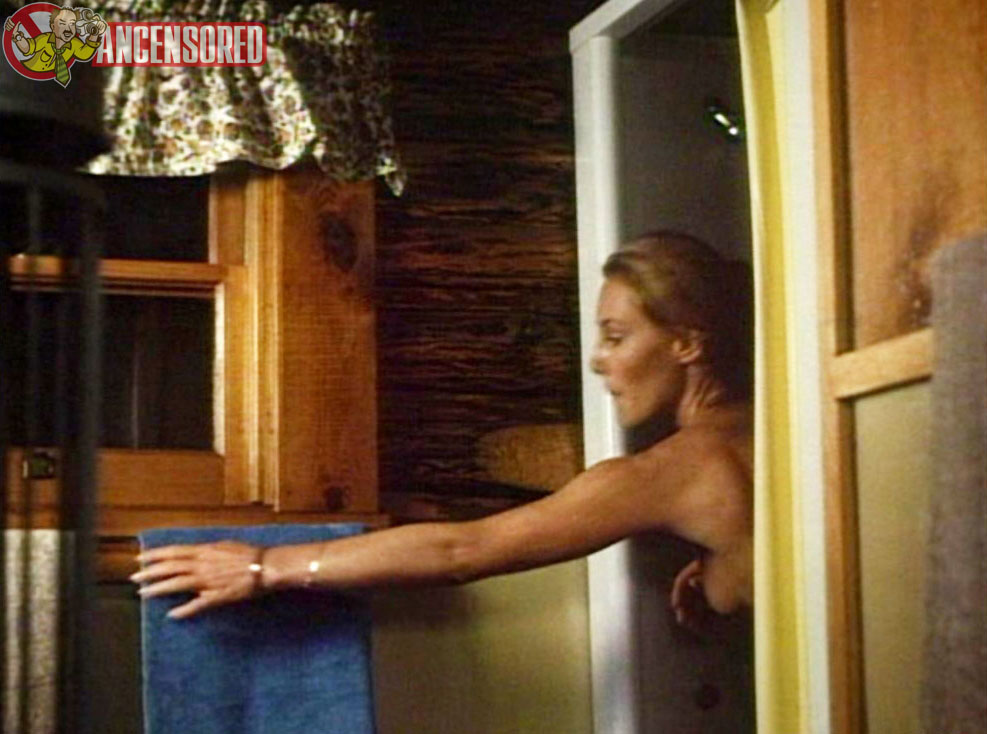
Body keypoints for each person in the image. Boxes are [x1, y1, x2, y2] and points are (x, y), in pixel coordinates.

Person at [132, 231, 754, 629]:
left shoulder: (665, 474)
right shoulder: (761, 425)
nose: (597, 359)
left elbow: (462, 550)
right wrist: (720, 569)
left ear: (686, 344)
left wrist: (266, 566)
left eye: (616, 337)